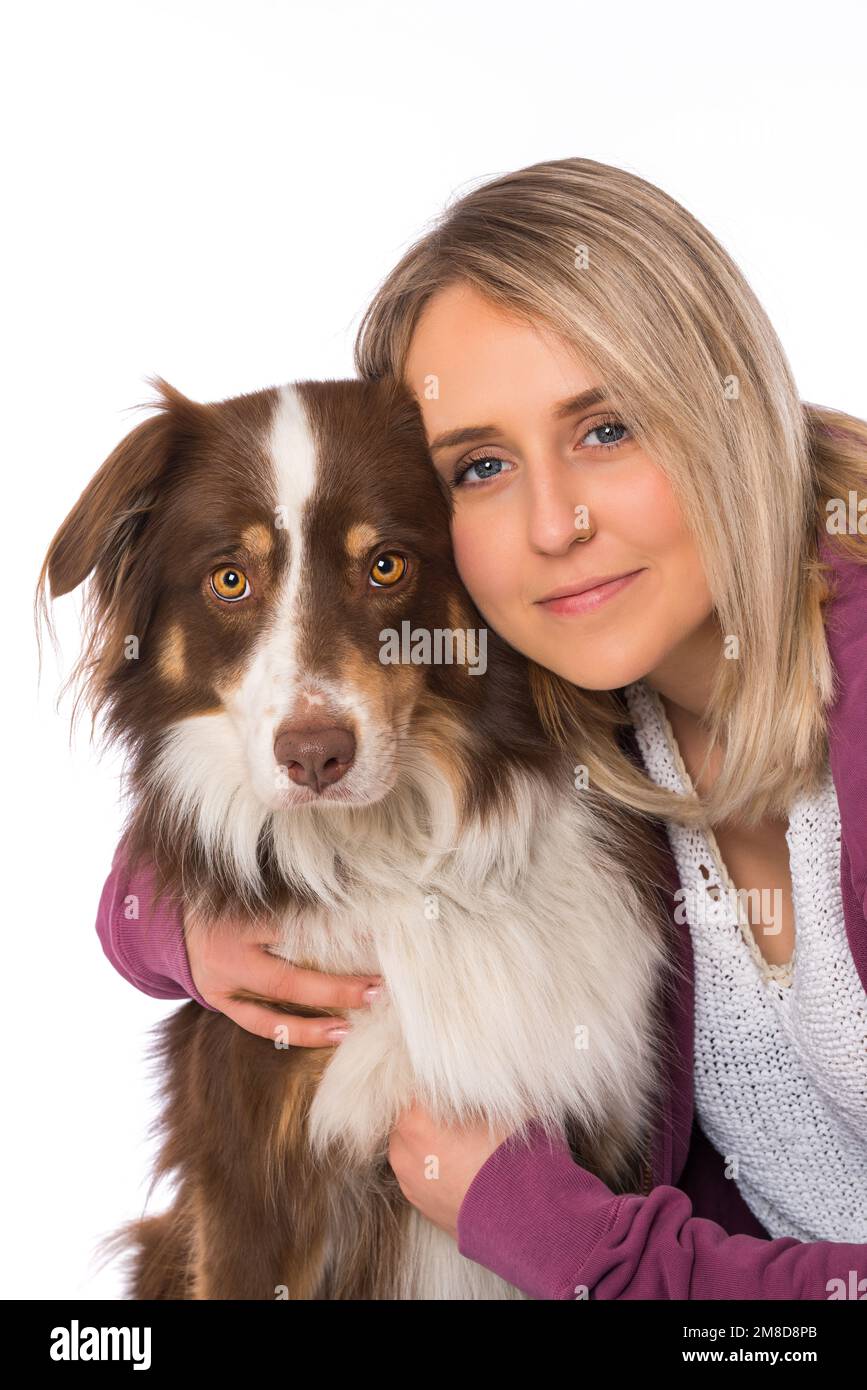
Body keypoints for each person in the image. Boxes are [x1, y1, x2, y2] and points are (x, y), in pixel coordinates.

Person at [94, 157, 867, 1298]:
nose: (556, 523)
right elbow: (249, 788)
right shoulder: (588, 705)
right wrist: (181, 928)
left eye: (607, 429)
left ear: (729, 408)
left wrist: (566, 1236)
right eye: (485, 465)